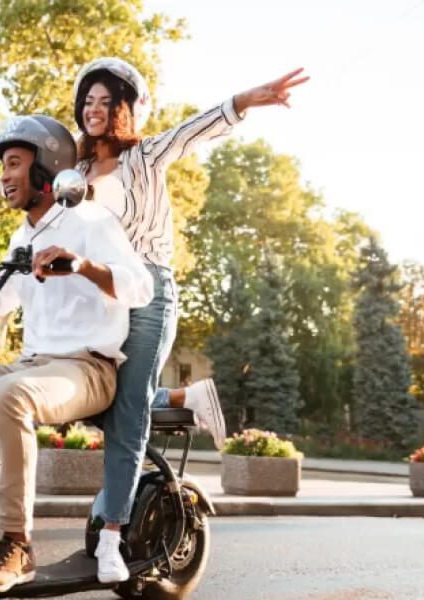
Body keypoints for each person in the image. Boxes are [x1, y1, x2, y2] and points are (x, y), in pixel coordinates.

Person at [70, 57, 309, 584]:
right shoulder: (78, 172)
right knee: (88, 397)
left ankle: (113, 533)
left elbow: (198, 128)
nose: (95, 109)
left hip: (149, 292)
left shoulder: (148, 155)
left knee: (128, 410)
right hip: (101, 298)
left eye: (107, 101)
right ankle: (184, 400)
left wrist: (248, 98)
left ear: (126, 110)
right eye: (88, 100)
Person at [0, 114, 153, 593]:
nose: (3, 176)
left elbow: (141, 287)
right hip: (33, 366)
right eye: (2, 166)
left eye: (14, 163)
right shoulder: (23, 236)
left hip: (88, 368)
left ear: (46, 167)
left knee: (9, 394)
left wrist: (82, 266)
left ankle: (17, 544)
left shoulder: (90, 220)